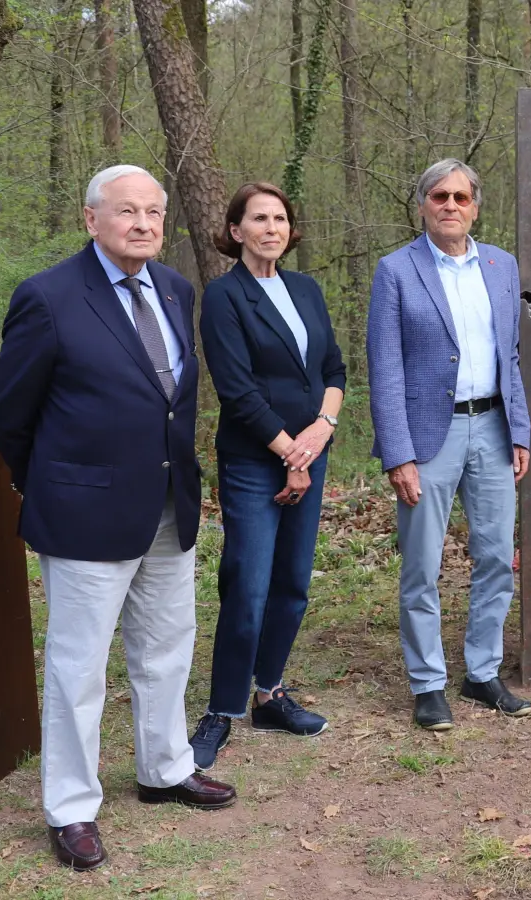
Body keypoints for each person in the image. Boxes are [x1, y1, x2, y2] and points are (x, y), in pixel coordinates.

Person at [0, 165, 236, 871]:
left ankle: (165, 767)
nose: (144, 224)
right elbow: (8, 413)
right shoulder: (49, 297)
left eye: (154, 212)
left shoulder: (177, 290)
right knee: (78, 666)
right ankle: (70, 808)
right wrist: (53, 484)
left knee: (166, 646)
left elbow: (167, 401)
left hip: (167, 506)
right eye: (127, 211)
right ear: (91, 218)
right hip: (82, 514)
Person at [368, 158, 531, 731]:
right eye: (440, 196)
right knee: (422, 564)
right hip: (427, 437)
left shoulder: (501, 265)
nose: (450, 206)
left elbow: (509, 355)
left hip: (492, 427)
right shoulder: (396, 270)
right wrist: (398, 452)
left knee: (495, 558)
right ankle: (428, 683)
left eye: (461, 197)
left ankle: (482, 671)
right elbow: (384, 369)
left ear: (476, 207)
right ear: (423, 204)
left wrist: (521, 430)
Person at [187, 182, 347, 769]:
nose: (272, 228)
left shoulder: (306, 290)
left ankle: (270, 694)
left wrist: (322, 428)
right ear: (236, 231)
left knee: (293, 584)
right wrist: (290, 453)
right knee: (248, 586)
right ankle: (222, 709)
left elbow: (334, 367)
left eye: (280, 218)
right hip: (257, 459)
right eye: (259, 219)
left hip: (311, 447)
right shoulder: (224, 297)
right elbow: (237, 390)